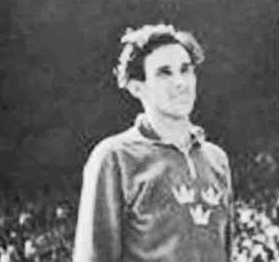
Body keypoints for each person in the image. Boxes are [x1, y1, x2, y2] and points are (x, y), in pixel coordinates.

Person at [73, 24, 232, 262]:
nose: (180, 82)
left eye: (186, 70)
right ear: (138, 88)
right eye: (164, 73)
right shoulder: (115, 157)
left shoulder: (216, 160)